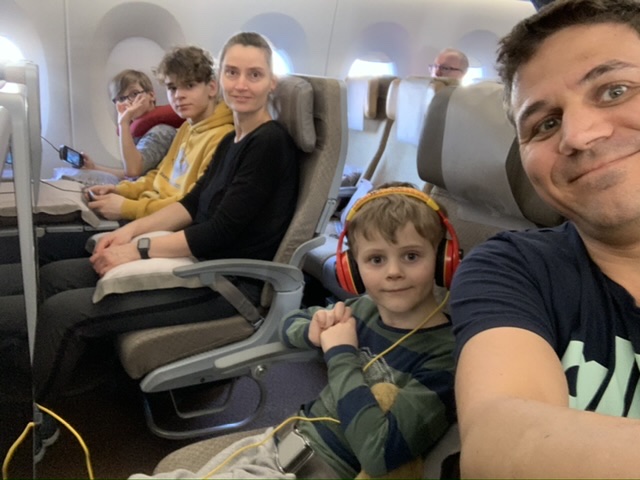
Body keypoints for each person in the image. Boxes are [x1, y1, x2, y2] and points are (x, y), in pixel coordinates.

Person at [0, 31, 298, 459]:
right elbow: (191, 205)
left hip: (225, 284)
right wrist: (127, 232)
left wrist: (136, 250)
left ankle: (32, 420)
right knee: (55, 276)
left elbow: (219, 232)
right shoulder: (235, 138)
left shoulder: (269, 144)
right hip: (195, 265)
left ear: (272, 83)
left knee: (63, 312)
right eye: (233, 72)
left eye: (255, 74)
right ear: (221, 79)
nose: (241, 84)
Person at [130, 183, 457, 479]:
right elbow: (291, 324)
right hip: (281, 445)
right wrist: (314, 331)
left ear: (444, 259)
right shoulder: (363, 310)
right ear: (352, 269)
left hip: (328, 468)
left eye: (411, 256)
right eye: (376, 260)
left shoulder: (446, 356)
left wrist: (340, 353)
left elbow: (378, 453)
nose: (394, 272)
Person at [449, 0, 640, 478]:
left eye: (615, 91)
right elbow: (498, 438)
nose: (578, 135)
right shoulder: (511, 269)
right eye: (546, 124)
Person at [84, 46, 234, 222]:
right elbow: (159, 175)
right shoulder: (187, 127)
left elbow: (190, 205)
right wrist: (120, 190)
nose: (178, 95)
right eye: (172, 88)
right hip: (150, 207)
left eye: (189, 85)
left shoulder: (222, 138)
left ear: (212, 88)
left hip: (168, 220)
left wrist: (127, 208)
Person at [75, 69, 184, 182]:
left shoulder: (162, 132)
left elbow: (133, 171)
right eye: (121, 98)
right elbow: (131, 175)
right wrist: (94, 168)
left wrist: (123, 123)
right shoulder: (138, 132)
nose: (127, 102)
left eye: (134, 94)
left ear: (151, 95)